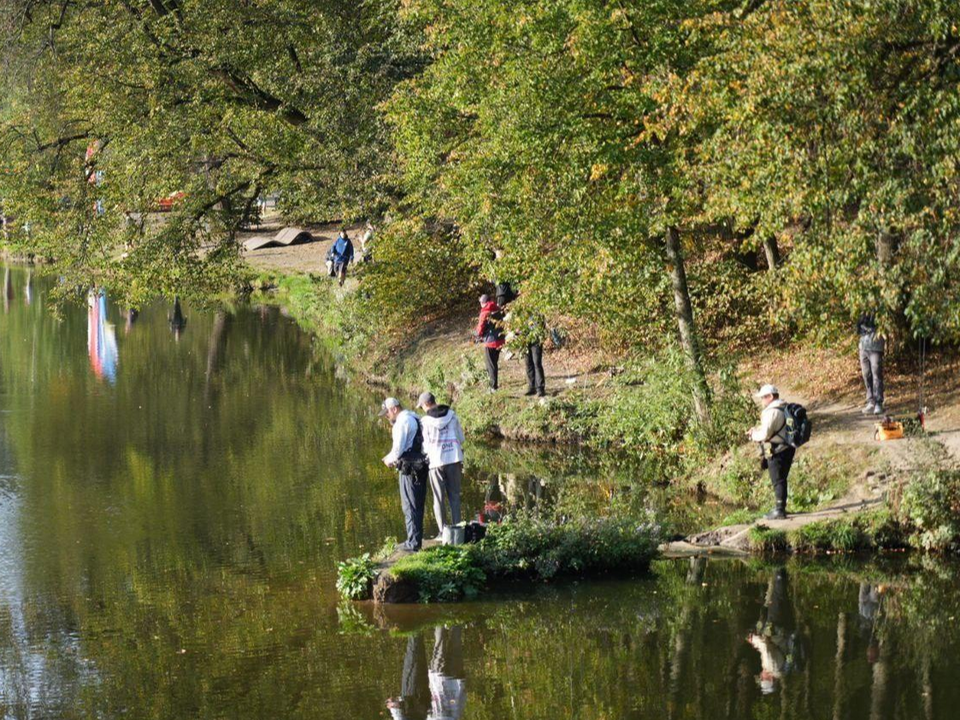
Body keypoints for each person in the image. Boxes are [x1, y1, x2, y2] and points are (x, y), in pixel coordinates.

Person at [381, 397, 429, 551]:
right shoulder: (414, 417)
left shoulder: (401, 423)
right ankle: (415, 540)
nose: (386, 416)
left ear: (394, 409)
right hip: (420, 465)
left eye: (387, 413)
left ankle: (413, 544)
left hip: (409, 468)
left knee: (409, 505)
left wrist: (389, 460)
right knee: (418, 504)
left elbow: (398, 449)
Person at [417, 392, 465, 537]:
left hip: (436, 462)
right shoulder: (452, 415)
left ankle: (443, 532)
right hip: (454, 459)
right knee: (455, 496)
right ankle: (458, 531)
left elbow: (424, 446)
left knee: (438, 498)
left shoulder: (424, 422)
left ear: (426, 404)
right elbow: (461, 438)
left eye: (422, 407)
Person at [748, 384, 795, 519]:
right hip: (788, 447)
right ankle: (781, 508)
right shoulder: (784, 406)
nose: (761, 401)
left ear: (770, 396)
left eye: (763, 398)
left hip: (777, 449)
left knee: (777, 480)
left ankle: (779, 510)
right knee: (782, 478)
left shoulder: (772, 411)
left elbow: (765, 434)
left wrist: (753, 435)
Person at [857, 313, 885, 415]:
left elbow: (882, 326)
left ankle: (878, 402)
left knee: (876, 373)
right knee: (866, 374)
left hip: (876, 347)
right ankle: (871, 401)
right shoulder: (862, 310)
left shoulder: (879, 310)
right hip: (863, 347)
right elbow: (858, 328)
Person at [475, 294, 504, 391]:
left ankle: (493, 387)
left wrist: (478, 336)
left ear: (483, 302)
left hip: (490, 342)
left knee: (490, 365)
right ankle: (494, 382)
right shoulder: (498, 308)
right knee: (494, 362)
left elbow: (480, 329)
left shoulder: (484, 312)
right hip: (500, 339)